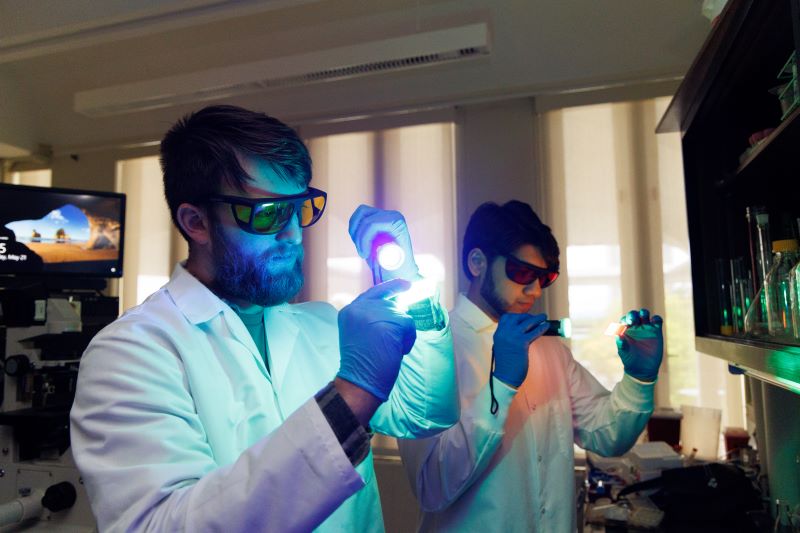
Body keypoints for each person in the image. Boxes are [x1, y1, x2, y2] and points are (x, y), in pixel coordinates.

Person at [69, 105, 458, 532]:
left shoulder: (324, 325)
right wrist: (352, 394)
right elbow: (160, 525)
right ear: (195, 221)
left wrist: (408, 285)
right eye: (269, 213)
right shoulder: (131, 353)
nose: (292, 233)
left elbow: (424, 415)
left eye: (299, 208)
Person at [398, 200, 663, 532]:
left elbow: (606, 436)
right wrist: (502, 384)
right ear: (477, 262)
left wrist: (639, 378)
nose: (535, 289)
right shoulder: (427, 352)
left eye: (545, 277)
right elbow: (430, 486)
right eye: (522, 272)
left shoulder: (549, 347)